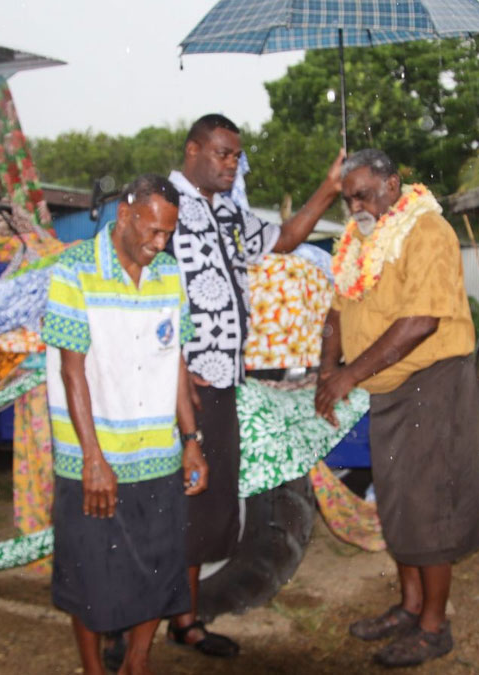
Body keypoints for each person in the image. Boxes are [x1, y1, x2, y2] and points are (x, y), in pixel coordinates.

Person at [164, 113, 343, 657]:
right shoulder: (161, 206)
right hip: (169, 384)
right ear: (193, 150)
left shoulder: (230, 215)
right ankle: (127, 632)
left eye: (236, 156)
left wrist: (329, 188)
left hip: (219, 384)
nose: (230, 163)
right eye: (221, 153)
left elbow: (285, 238)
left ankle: (186, 622)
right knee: (157, 510)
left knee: (205, 508)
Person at [315, 149, 479, 668]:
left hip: (431, 382)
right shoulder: (357, 239)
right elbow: (337, 312)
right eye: (348, 198)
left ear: (394, 183)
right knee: (397, 503)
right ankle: (410, 607)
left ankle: (434, 627)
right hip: (385, 388)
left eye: (364, 193)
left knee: (427, 506)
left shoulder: (427, 232)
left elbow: (421, 322)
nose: (357, 205)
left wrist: (348, 375)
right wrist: (326, 369)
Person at [42, 174, 210, 675]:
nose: (160, 244)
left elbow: (175, 362)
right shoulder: (74, 271)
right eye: (153, 232)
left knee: (159, 571)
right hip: (94, 459)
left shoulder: (170, 275)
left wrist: (192, 441)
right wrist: (93, 459)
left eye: (168, 235)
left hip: (156, 455)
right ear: (124, 215)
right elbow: (72, 370)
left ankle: (137, 662)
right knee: (90, 577)